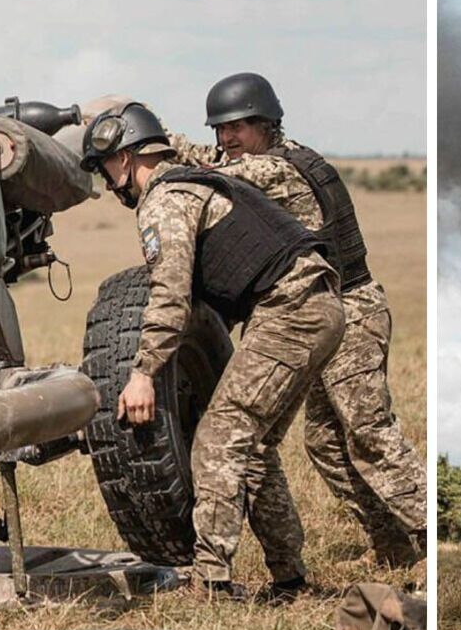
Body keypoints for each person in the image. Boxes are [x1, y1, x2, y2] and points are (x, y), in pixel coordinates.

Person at [84, 110, 346, 599]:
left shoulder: (166, 199)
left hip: (291, 310)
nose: (107, 183)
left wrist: (143, 374)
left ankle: (210, 581)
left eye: (104, 170)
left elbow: (170, 293)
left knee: (219, 437)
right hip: (318, 306)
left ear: (124, 159)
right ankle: (289, 578)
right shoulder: (200, 182)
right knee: (254, 449)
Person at [180, 73, 426, 567]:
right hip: (325, 309)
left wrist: (152, 146)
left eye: (239, 128)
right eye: (221, 130)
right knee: (326, 443)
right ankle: (394, 549)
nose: (228, 139)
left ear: (267, 124)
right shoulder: (292, 156)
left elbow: (210, 176)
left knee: (369, 432)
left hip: (350, 309)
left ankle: (429, 534)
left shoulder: (276, 170)